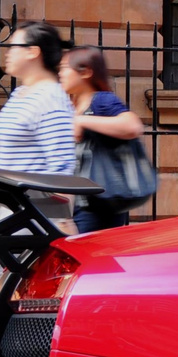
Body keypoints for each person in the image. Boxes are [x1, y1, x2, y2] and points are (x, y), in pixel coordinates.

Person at [0, 20, 77, 311]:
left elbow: (61, 165)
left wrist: (61, 219)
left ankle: (4, 356)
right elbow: (7, 158)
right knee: (3, 290)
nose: (6, 52)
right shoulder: (20, 95)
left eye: (13, 46)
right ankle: (12, 354)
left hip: (35, 210)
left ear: (33, 52)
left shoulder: (51, 97)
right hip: (13, 209)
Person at [59, 45, 145, 233]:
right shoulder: (70, 105)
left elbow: (133, 126)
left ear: (86, 72)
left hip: (98, 208)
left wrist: (82, 120)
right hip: (75, 205)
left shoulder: (101, 101)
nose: (60, 73)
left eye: (65, 68)